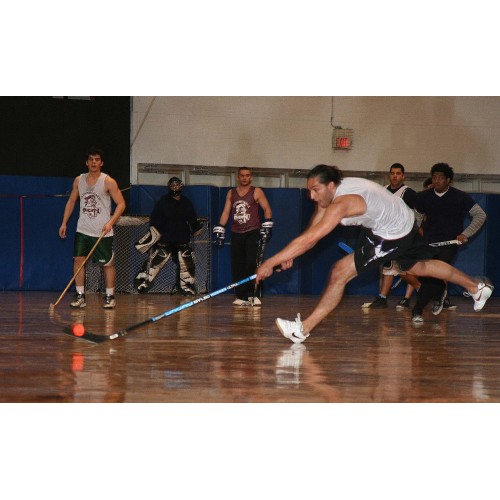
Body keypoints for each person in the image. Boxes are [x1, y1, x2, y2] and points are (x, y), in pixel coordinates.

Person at [255, 164, 493, 344]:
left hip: (391, 233)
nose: (312, 196)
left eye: (315, 190)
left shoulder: (343, 203)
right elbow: (313, 229)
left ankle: (302, 329)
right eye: (309, 191)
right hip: (402, 219)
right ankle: (476, 287)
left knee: (340, 272)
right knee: (419, 267)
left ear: (330, 186)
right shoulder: (335, 189)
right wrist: (291, 255)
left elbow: (311, 238)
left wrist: (272, 261)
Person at [411, 163, 487, 322]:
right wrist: (413, 237)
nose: (436, 181)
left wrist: (466, 234)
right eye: (434, 177)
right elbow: (416, 219)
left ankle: (417, 310)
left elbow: (480, 215)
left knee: (433, 274)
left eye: (440, 178)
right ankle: (440, 293)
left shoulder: (460, 196)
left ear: (449, 180)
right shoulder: (423, 197)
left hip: (450, 243)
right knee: (426, 277)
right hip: (429, 244)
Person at [59, 147, 126, 309]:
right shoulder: (79, 180)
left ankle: (110, 296)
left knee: (107, 264)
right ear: (86, 163)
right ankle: (80, 295)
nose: (94, 162)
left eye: (97, 160)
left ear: (101, 163)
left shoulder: (108, 181)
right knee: (78, 260)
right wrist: (64, 222)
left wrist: (111, 222)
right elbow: (71, 202)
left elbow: (122, 204)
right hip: (83, 229)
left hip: (102, 231)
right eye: (91, 160)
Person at [213, 167, 273, 306]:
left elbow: (267, 209)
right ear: (238, 177)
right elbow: (226, 212)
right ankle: (241, 296)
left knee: (252, 264)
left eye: (247, 175)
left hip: (253, 232)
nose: (245, 178)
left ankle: (254, 295)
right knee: (238, 265)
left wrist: (268, 224)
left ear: (250, 177)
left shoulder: (256, 191)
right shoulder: (231, 193)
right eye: (242, 176)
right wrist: (220, 228)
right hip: (236, 232)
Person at [133, 177, 204, 295]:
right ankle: (142, 283)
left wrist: (196, 228)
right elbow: (154, 221)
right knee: (155, 263)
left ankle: (185, 287)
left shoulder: (186, 202)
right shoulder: (163, 201)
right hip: (165, 240)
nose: (175, 188)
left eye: (177, 185)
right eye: (172, 186)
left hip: (182, 240)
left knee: (186, 265)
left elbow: (192, 219)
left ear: (181, 186)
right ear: (169, 187)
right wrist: (153, 236)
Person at [365, 163, 420, 309]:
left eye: (398, 173)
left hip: (404, 236)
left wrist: (416, 229)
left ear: (403, 176)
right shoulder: (382, 191)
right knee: (388, 266)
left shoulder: (408, 193)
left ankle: (420, 289)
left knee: (401, 268)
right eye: (392, 173)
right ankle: (382, 297)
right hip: (386, 235)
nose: (395, 176)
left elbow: (420, 213)